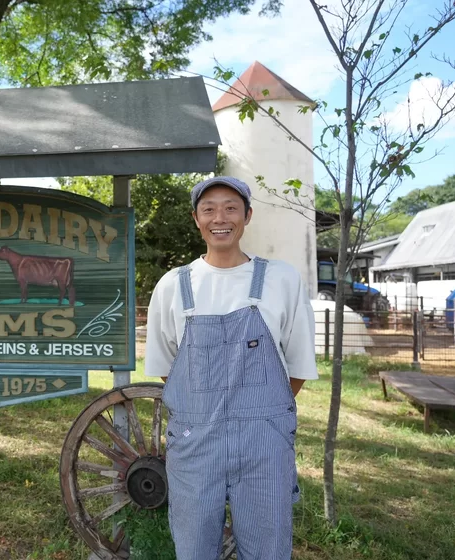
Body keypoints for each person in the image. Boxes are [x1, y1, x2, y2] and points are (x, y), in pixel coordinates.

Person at [144, 176, 318, 560]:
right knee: (193, 549)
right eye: (209, 209)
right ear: (196, 219)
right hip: (195, 442)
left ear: (247, 216)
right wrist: (202, 408)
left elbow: (300, 362)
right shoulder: (173, 286)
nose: (219, 217)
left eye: (230, 208)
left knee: (268, 549)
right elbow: (167, 368)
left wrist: (261, 412)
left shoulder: (282, 279)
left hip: (265, 441)